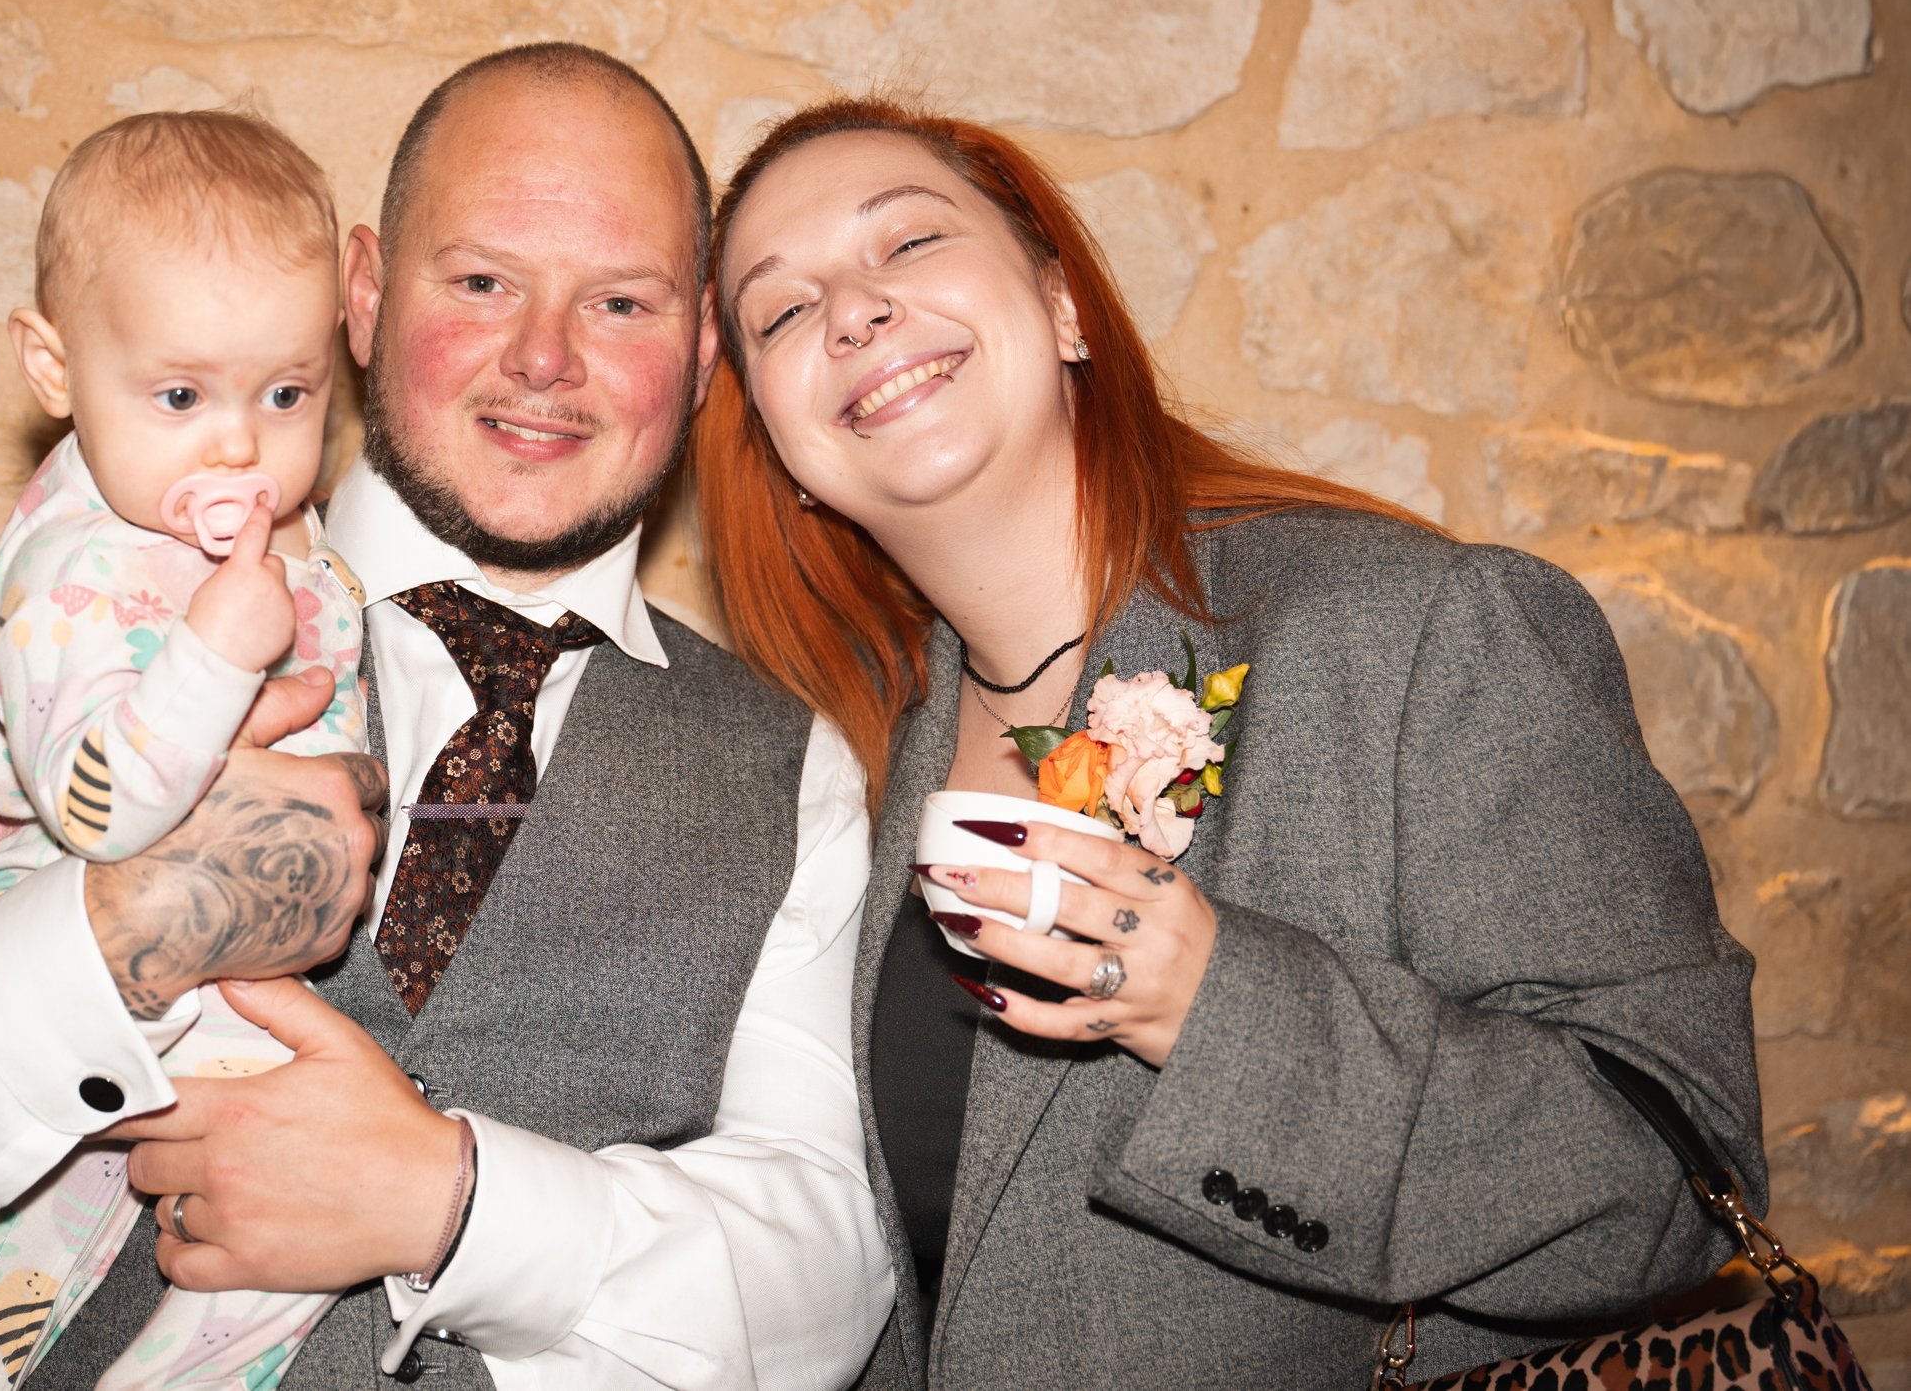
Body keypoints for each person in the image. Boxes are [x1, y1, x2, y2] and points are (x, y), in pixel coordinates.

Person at [0, 45, 892, 1390]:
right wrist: (119, 933)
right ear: (364, 298)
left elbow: (829, 1278)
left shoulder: (791, 774)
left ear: (701, 353)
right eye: (483, 281)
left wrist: (456, 1200)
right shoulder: (82, 626)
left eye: (620, 300)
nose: (545, 356)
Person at [690, 97, 1766, 1389]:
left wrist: (1217, 1007)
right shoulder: (847, 777)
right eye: (784, 310)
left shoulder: (1416, 628)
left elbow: (1675, 1172)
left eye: (909, 243)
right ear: (786, 450)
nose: (854, 310)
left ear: (1066, 305)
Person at [0, 110, 371, 1390]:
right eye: (181, 394)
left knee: (47, 1248)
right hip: (66, 940)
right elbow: (99, 806)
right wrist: (212, 652)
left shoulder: (292, 548)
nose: (238, 443)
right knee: (295, 1205)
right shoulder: (71, 570)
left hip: (218, 975)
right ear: (53, 366)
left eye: (287, 393)